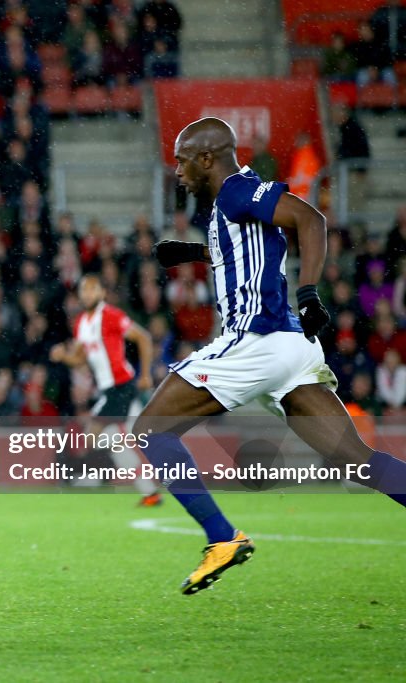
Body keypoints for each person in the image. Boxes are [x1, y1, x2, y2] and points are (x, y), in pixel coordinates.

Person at [140, 117, 406, 595]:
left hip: (256, 339)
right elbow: (254, 245)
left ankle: (222, 538)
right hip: (293, 350)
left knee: (150, 430)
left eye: (182, 160)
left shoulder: (236, 192)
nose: (176, 169)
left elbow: (311, 219)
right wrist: (193, 252)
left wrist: (308, 292)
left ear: (207, 159)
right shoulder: (236, 201)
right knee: (357, 461)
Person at [49, 274, 162, 506]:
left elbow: (143, 337)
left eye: (92, 289)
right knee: (111, 440)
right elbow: (80, 359)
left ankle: (87, 478)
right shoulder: (81, 322)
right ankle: (149, 492)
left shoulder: (110, 315)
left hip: (122, 385)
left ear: (101, 293)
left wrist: (145, 374)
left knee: (96, 435)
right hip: (109, 391)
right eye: (84, 290)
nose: (87, 294)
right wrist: (63, 356)